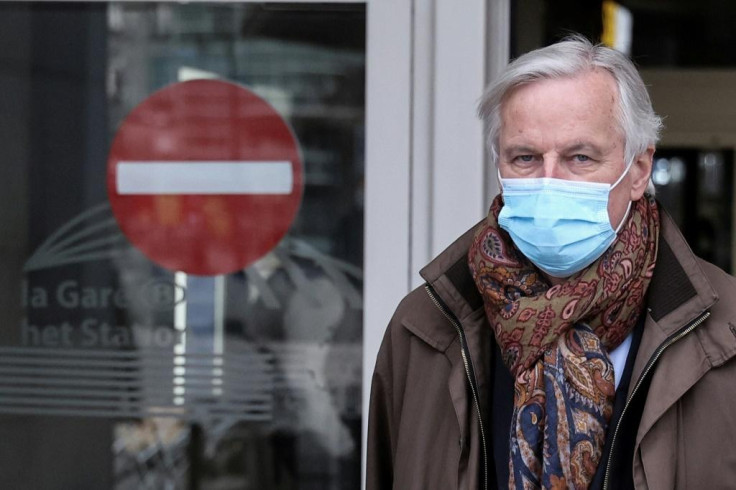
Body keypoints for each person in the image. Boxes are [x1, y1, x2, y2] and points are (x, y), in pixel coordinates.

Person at [366, 35, 736, 490]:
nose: (549, 182)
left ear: (639, 171)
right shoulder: (423, 329)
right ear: (499, 165)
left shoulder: (725, 335)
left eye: (580, 157)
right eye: (525, 158)